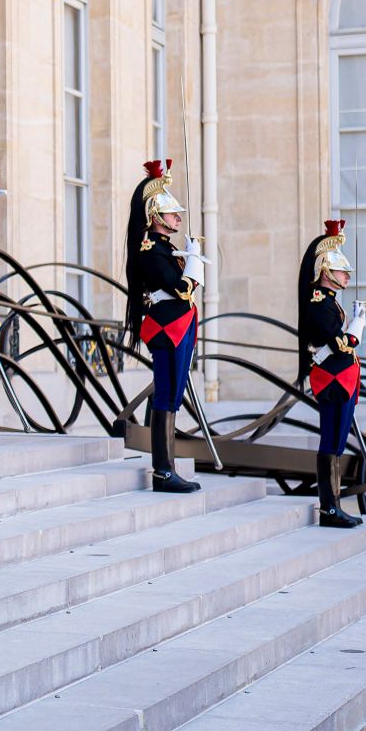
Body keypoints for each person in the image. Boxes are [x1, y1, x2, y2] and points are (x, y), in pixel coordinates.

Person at [124, 159, 205, 493]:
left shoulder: (166, 249)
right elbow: (181, 288)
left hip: (178, 325)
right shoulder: (151, 250)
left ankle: (167, 467)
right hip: (166, 328)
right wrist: (194, 263)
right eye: (172, 214)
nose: (178, 219)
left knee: (173, 394)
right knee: (167, 393)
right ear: (156, 216)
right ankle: (162, 470)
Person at [297, 219, 366, 528]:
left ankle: (334, 505)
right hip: (333, 380)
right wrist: (358, 326)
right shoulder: (319, 303)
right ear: (326, 272)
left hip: (341, 379)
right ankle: (329, 507)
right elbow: (340, 345)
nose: (347, 275)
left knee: (337, 442)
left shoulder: (329, 302)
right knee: (331, 441)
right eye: (341, 271)